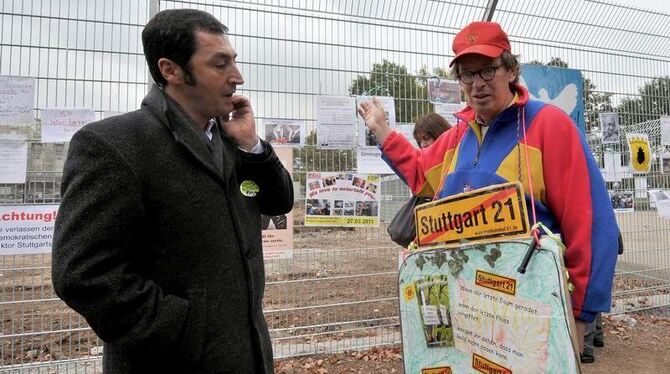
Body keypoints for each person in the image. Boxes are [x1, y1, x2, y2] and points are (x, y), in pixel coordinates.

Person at [359, 21, 619, 361]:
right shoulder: (457, 137)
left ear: (510, 70)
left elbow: (590, 221)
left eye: (487, 71)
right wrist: (382, 130)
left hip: (531, 307)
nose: (477, 84)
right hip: (466, 305)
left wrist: (581, 312)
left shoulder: (549, 127)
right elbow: (422, 174)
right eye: (467, 75)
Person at [51, 9, 293, 373]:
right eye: (220, 64)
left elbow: (279, 201)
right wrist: (182, 329)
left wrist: (252, 145)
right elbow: (83, 274)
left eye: (234, 62)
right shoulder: (114, 145)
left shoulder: (231, 140)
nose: (238, 78)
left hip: (247, 358)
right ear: (171, 70)